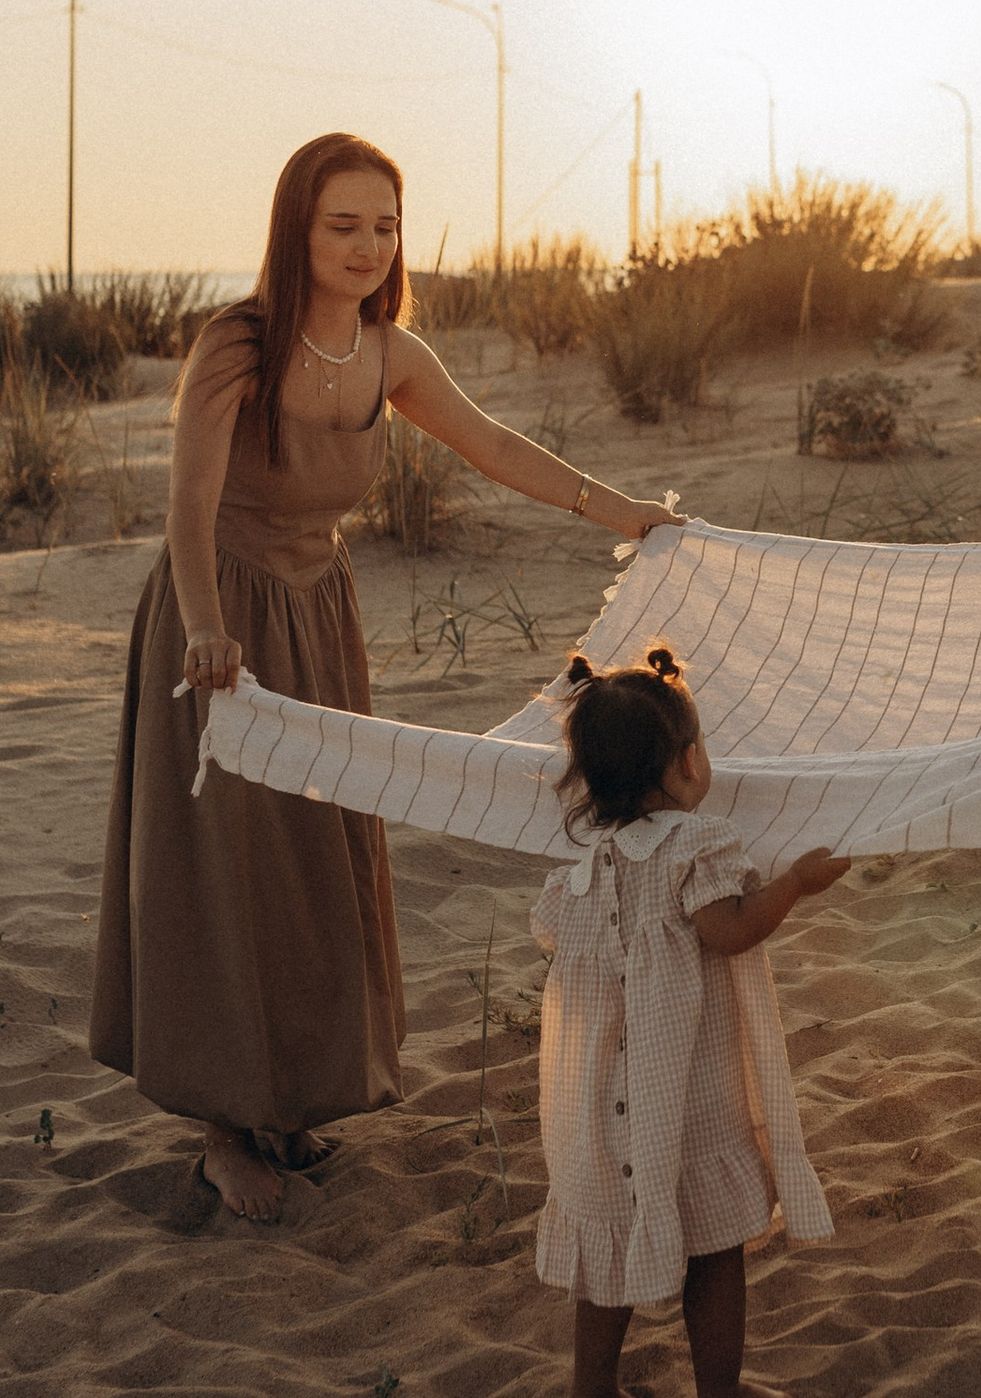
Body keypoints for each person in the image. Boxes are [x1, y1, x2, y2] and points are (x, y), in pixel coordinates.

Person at [91, 130, 681, 1223]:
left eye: (385, 225)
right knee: (230, 865)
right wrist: (207, 628)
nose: (368, 247)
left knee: (313, 855)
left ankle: (289, 1101)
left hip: (318, 614)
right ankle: (227, 1130)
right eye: (343, 225)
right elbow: (187, 500)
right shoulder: (237, 343)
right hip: (216, 617)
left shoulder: (389, 353)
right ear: (296, 231)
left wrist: (624, 513)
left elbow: (495, 446)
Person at [532, 645, 848, 1398]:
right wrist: (795, 885)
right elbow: (730, 930)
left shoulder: (578, 870)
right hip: (687, 1095)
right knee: (713, 1247)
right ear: (679, 767)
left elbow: (555, 940)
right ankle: (720, 1397)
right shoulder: (694, 846)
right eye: (697, 747)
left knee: (608, 1245)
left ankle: (591, 1392)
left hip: (599, 1105)